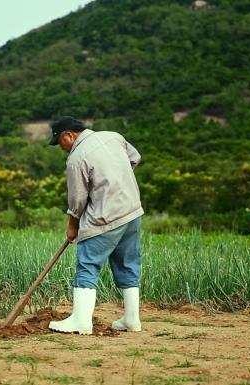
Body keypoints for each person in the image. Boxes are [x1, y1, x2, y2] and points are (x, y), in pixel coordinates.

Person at [46, 116, 144, 335]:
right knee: (128, 263)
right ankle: (132, 319)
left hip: (105, 218)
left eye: (59, 143)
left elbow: (77, 201)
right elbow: (134, 158)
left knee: (88, 265)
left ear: (68, 135)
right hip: (132, 212)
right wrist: (115, 183)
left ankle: (81, 321)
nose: (61, 148)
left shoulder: (76, 158)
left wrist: (73, 227)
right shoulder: (113, 137)